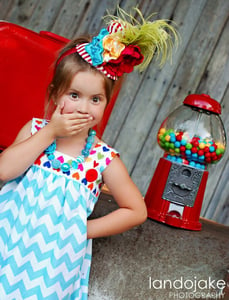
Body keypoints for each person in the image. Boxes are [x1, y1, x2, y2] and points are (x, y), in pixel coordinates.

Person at [0, 7, 178, 300]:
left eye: (95, 99)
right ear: (55, 94)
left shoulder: (101, 158)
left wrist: (81, 230)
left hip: (52, 265)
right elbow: (5, 171)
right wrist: (50, 132)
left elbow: (136, 210)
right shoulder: (36, 131)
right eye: (74, 95)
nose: (84, 107)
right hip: (8, 239)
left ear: (106, 104)